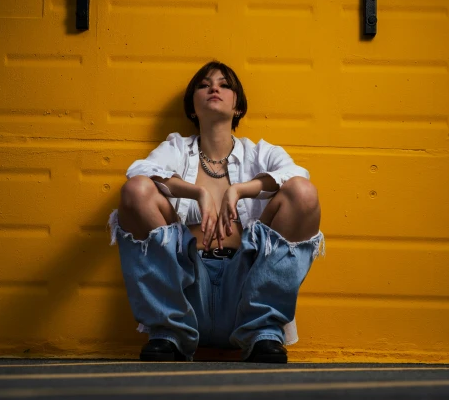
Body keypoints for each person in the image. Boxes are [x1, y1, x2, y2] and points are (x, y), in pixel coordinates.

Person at [109, 61, 324, 363]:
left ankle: (264, 331)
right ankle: (168, 331)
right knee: (136, 191)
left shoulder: (260, 153)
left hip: (247, 295)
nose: (214, 88)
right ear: (193, 108)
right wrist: (197, 192)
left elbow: (296, 173)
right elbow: (139, 171)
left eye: (225, 85)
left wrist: (238, 190)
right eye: (204, 84)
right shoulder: (177, 149)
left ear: (238, 107)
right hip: (186, 292)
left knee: (303, 192)